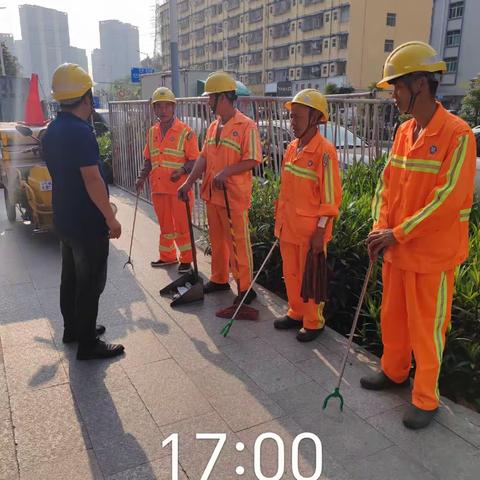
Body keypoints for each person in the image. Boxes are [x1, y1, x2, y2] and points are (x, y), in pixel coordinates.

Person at [362, 41, 476, 429]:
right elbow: (386, 184)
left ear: (420, 84)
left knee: (428, 330)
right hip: (396, 250)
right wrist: (381, 226)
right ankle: (393, 372)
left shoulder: (458, 135)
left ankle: (426, 398)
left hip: (430, 257)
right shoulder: (404, 132)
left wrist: (399, 232)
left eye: (397, 87)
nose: (393, 95)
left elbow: (448, 201)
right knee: (392, 320)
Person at [43, 63, 125, 360]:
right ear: (87, 98)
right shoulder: (80, 132)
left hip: (64, 217)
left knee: (70, 277)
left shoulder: (52, 130)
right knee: (90, 282)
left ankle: (73, 329)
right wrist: (111, 218)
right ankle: (88, 343)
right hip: (87, 222)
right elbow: (92, 179)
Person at [178, 71, 262, 304]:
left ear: (223, 97)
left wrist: (227, 172)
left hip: (233, 197)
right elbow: (203, 158)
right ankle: (219, 278)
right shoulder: (214, 127)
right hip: (213, 196)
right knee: (218, 241)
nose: (207, 102)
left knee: (239, 244)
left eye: (210, 97)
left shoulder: (247, 126)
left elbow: (253, 159)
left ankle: (245, 288)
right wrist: (187, 182)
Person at [273, 89, 342, 342]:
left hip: (311, 231)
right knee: (291, 273)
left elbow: (331, 199)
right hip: (288, 226)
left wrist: (321, 230)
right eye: (291, 117)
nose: (292, 122)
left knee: (310, 278)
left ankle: (313, 322)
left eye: (297, 117)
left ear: (315, 118)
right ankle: (296, 312)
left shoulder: (325, 152)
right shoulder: (292, 147)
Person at [136, 87, 199, 273]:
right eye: (159, 107)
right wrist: (141, 177)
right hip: (159, 188)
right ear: (154, 109)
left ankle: (187, 260)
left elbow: (195, 159)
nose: (163, 110)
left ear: (173, 108)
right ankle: (167, 256)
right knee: (165, 226)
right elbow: (149, 159)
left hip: (180, 190)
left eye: (166, 106)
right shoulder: (151, 132)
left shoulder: (186, 132)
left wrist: (182, 170)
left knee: (182, 226)